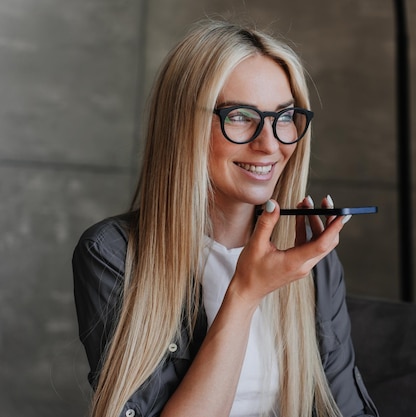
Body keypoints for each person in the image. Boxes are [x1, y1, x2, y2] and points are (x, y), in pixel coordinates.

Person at [72, 19, 379, 417]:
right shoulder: (113, 255)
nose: (269, 144)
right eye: (239, 116)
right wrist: (245, 293)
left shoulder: (309, 261)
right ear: (185, 126)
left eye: (284, 117)